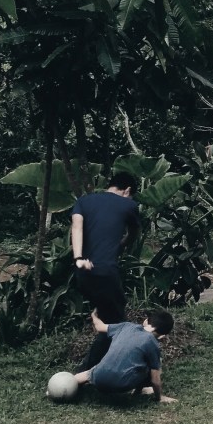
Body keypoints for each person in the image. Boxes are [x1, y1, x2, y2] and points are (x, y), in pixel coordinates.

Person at [71, 172, 141, 371]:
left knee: (109, 319)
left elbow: (76, 226)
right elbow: (134, 233)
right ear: (127, 190)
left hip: (83, 273)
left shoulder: (84, 201)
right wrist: (122, 245)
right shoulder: (129, 205)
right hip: (106, 272)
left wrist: (78, 259)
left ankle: (97, 369)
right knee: (117, 324)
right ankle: (85, 375)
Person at [75, 310, 176, 403]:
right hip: (122, 385)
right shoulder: (152, 343)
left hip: (99, 377)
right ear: (163, 336)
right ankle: (138, 391)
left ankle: (69, 383)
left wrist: (94, 315)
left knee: (87, 374)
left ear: (146, 321)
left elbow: (99, 327)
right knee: (151, 364)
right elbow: (155, 379)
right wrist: (159, 397)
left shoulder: (126, 326)